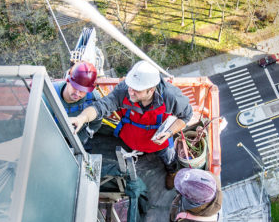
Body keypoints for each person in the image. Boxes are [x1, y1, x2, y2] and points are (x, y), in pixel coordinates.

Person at [70, 60, 193, 189]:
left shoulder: (171, 97)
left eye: (137, 90)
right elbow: (101, 106)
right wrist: (82, 117)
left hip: (158, 143)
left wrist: (169, 133)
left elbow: (186, 116)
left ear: (151, 90)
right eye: (130, 87)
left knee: (169, 158)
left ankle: (172, 172)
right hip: (131, 138)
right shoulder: (124, 90)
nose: (131, 92)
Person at [49, 61, 102, 151]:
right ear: (68, 80)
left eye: (82, 90)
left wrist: (80, 138)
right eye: (75, 87)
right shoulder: (49, 94)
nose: (77, 94)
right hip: (52, 140)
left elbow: (96, 122)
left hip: (78, 140)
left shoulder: (93, 97)